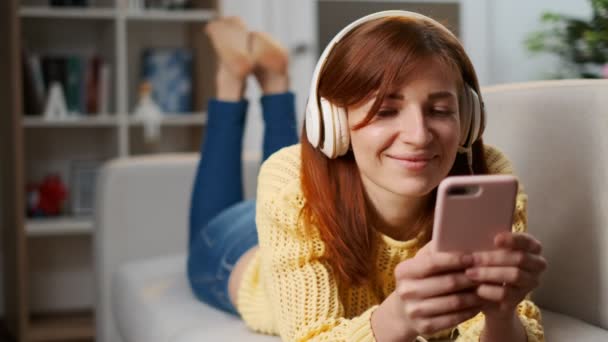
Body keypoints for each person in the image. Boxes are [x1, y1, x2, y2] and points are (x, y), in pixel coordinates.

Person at [188, 11, 546, 342]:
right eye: (385, 111)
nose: (418, 136)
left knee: (292, 171)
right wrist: (398, 317)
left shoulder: (489, 176)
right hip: (235, 252)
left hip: (308, 205)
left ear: (468, 119)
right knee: (272, 180)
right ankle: (232, 83)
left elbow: (496, 330)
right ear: (333, 124)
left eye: (439, 110)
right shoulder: (289, 183)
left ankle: (274, 78)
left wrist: (501, 314)